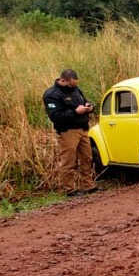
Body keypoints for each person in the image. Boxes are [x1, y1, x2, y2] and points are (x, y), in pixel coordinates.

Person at [42, 69, 98, 197]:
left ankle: (88, 185)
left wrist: (89, 107)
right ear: (63, 81)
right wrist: (75, 112)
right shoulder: (51, 94)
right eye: (71, 85)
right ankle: (70, 189)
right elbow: (55, 116)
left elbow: (84, 102)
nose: (74, 87)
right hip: (67, 131)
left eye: (75, 85)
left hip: (83, 128)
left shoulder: (76, 90)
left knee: (87, 158)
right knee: (68, 161)